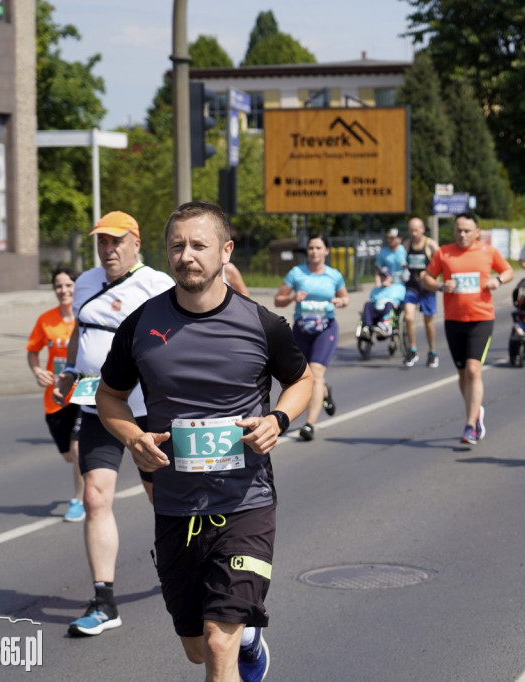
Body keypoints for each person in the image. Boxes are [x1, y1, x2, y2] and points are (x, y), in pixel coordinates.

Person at [95, 200, 313, 682]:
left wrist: (278, 418)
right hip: (174, 505)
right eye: (177, 246)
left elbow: (302, 381)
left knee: (218, 643)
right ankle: (251, 640)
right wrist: (132, 436)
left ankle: (238, 638)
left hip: (246, 501)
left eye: (199, 245)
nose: (186, 255)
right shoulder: (141, 326)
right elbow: (108, 397)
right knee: (197, 648)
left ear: (225, 251)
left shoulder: (262, 324)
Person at [52, 210, 175, 637]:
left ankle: (186, 566)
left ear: (135, 243)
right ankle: (104, 601)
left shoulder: (157, 285)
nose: (108, 249)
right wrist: (69, 369)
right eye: (102, 241)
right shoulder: (85, 281)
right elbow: (80, 332)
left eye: (116, 241)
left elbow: (183, 332)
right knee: (94, 496)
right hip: (96, 405)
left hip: (145, 410)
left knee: (163, 497)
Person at [421, 211, 514, 445]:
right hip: (454, 320)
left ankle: (470, 425)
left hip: (481, 318)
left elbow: (508, 271)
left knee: (474, 369)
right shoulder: (444, 252)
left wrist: (498, 281)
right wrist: (441, 286)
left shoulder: (488, 252)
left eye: (467, 231)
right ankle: (476, 412)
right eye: (458, 230)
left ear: (477, 233)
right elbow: (426, 278)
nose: (462, 234)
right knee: (462, 374)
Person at [274, 234, 349, 441]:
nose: (314, 252)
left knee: (315, 373)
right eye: (311, 248)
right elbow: (278, 300)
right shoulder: (297, 273)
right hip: (302, 329)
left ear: (326, 251)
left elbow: (345, 298)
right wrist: (292, 297)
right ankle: (324, 393)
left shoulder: (333, 275)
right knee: (300, 376)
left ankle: (309, 425)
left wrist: (341, 302)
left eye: (318, 248)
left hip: (326, 328)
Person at [26, 265, 84, 521]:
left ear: (77, 287)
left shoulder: (87, 315)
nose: (64, 290)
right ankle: (88, 476)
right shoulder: (46, 320)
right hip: (56, 398)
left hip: (82, 393)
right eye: (59, 286)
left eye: (69, 285)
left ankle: (79, 501)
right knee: (69, 456)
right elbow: (32, 351)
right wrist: (37, 371)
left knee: (79, 448)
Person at [402, 217, 440, 368]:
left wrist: (430, 273)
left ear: (423, 229)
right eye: (411, 230)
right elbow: (401, 262)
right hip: (412, 286)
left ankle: (432, 352)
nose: (413, 233)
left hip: (427, 287)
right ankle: (412, 349)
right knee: (408, 317)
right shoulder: (406, 244)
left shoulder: (430, 244)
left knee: (428, 322)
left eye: (416, 230)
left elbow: (441, 262)